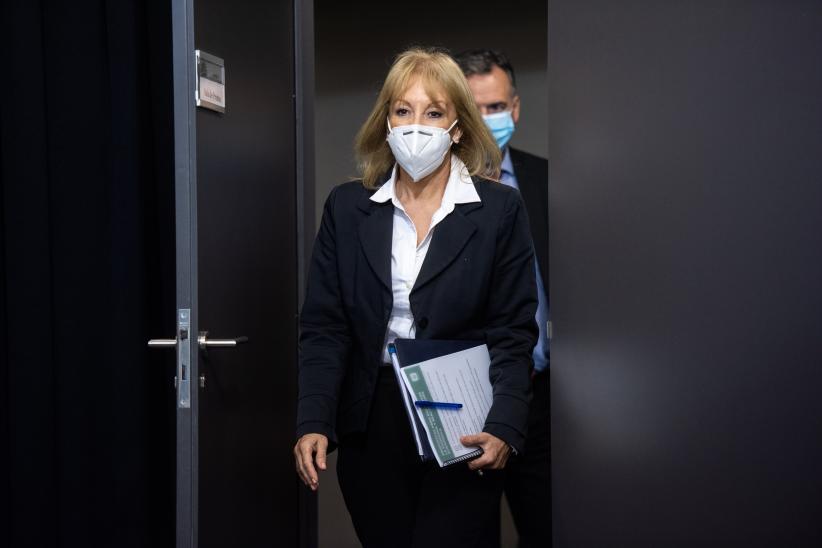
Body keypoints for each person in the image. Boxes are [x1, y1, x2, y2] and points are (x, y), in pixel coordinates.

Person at [293, 47, 538, 548]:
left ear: (458, 127)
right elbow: (325, 326)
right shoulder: (347, 207)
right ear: (385, 120)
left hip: (463, 417)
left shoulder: (499, 210)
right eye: (402, 110)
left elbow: (514, 332)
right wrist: (314, 418)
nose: (415, 125)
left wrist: (505, 424)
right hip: (373, 418)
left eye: (433, 112)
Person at [455, 49, 550, 548]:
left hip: (547, 396)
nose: (488, 120)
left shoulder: (550, 180)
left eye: (496, 107)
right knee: (468, 530)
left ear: (514, 109)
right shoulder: (436, 190)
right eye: (475, 108)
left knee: (549, 524)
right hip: (469, 395)